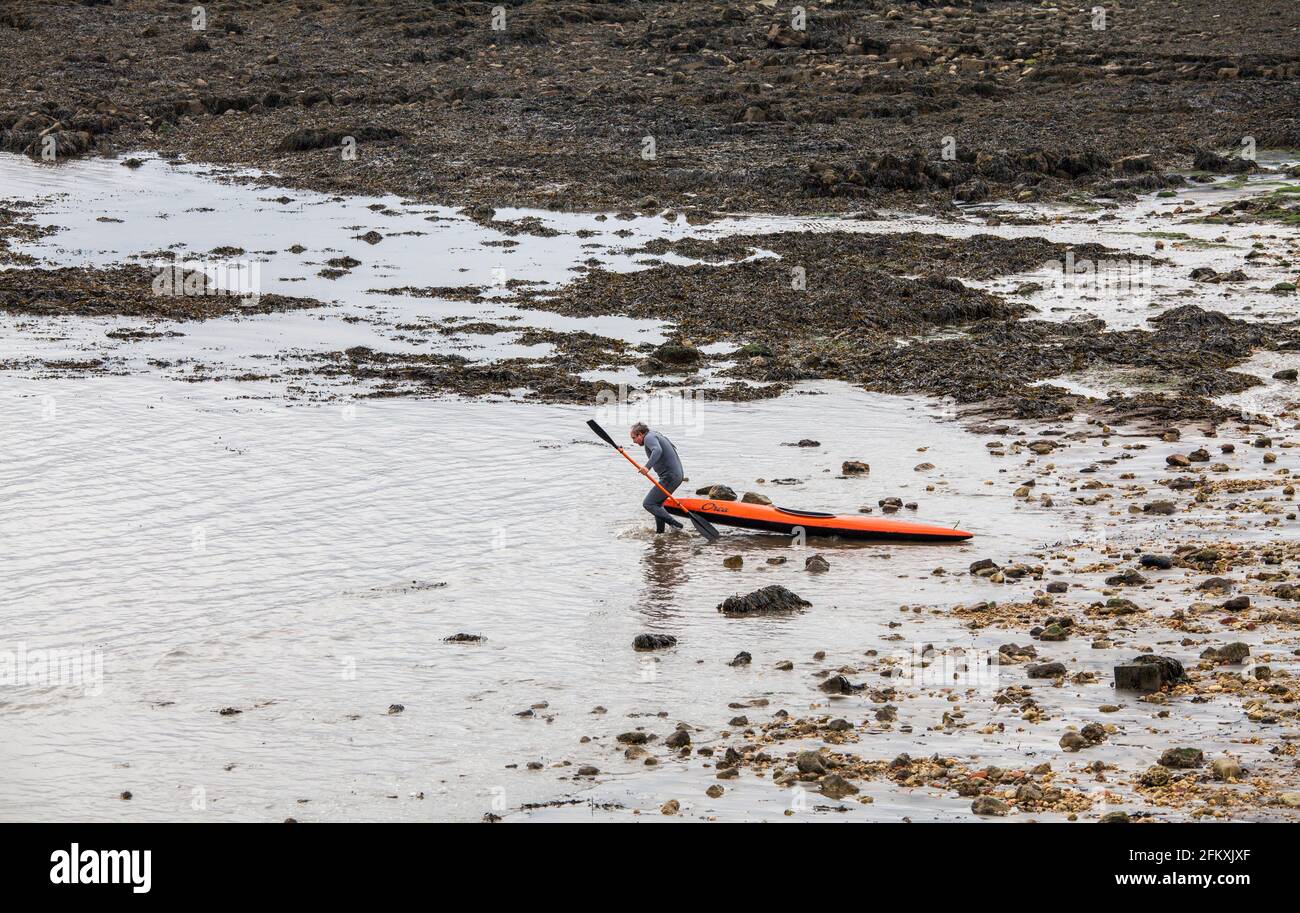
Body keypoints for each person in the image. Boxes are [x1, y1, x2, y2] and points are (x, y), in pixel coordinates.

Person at [630, 422, 684, 533]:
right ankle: (660, 533)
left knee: (649, 503)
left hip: (670, 476)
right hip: (674, 475)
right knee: (657, 505)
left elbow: (657, 450)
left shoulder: (649, 438)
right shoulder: (654, 435)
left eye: (634, 438)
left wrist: (647, 467)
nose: (634, 441)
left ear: (640, 434)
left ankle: (676, 525)